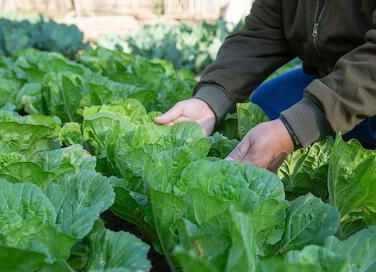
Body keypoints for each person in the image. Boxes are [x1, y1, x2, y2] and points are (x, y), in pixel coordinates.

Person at [155, 0, 376, 171]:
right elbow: (262, 32)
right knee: (264, 106)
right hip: (329, 75)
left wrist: (296, 127)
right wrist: (211, 99)